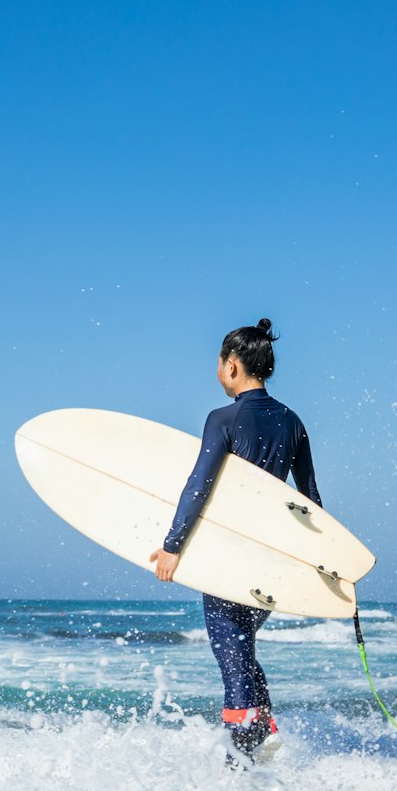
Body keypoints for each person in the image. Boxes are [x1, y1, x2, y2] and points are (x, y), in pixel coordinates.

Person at [147, 318, 320, 759]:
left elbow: (199, 485)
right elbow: (311, 503)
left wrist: (172, 546)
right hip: (273, 561)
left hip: (230, 559)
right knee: (241, 648)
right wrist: (319, 563)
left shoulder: (223, 418)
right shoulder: (293, 421)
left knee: (231, 656)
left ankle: (240, 759)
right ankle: (265, 732)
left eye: (219, 363)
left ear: (232, 365)